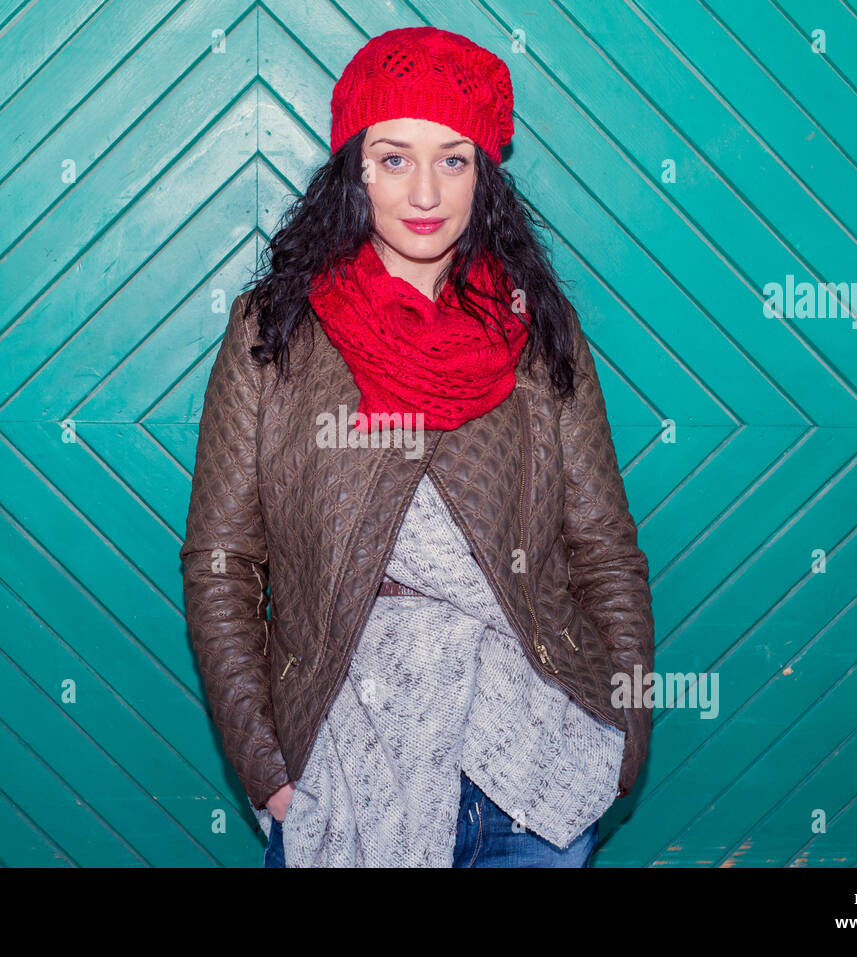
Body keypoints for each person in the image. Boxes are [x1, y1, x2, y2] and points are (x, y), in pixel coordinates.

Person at [180, 26, 654, 868]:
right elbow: (221, 561)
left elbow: (605, 547)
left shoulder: (540, 331)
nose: (426, 190)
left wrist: (626, 723)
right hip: (344, 762)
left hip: (535, 760)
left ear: (484, 175)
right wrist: (264, 763)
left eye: (454, 158)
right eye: (395, 157)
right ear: (354, 170)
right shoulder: (273, 333)